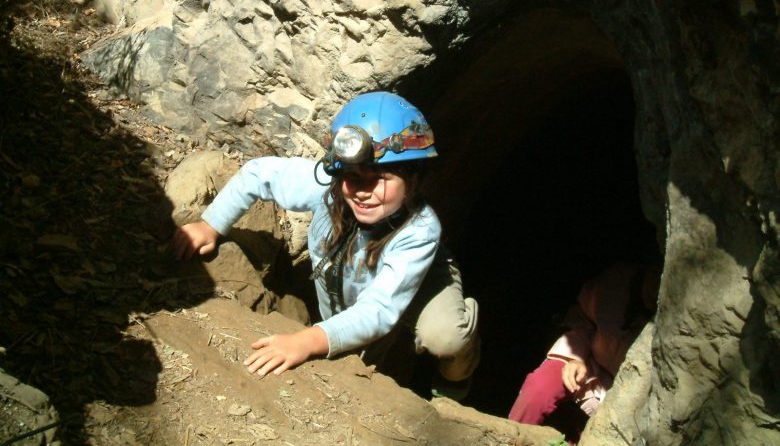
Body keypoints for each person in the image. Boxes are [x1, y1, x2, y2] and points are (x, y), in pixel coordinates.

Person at [173, 91, 480, 398]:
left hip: (420, 275)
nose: (361, 191)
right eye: (352, 176)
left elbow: (378, 310)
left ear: (413, 177)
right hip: (358, 279)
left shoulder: (419, 230)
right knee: (352, 336)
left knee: (445, 337)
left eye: (378, 178)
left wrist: (307, 341)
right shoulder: (329, 190)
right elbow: (259, 174)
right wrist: (210, 224)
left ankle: (457, 374)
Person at [508, 261, 661, 439]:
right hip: (587, 363)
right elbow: (582, 319)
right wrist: (576, 358)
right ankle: (510, 436)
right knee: (541, 386)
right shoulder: (618, 282)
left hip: (622, 393)